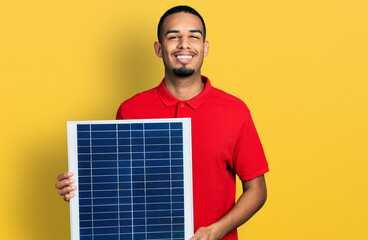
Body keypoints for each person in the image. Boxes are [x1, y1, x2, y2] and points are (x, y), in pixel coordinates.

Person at [55, 5, 269, 240]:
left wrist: (216, 231)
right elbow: (121, 187)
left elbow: (257, 190)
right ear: (159, 48)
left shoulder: (235, 111)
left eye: (194, 36)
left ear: (205, 47)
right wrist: (82, 189)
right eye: (173, 36)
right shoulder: (130, 110)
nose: (184, 44)